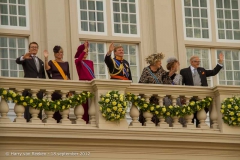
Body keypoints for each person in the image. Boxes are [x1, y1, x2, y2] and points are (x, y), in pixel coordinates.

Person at [180, 53, 224, 127]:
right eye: (196, 61)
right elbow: (181, 83)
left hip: (202, 96)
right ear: (191, 62)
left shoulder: (202, 70)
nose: (198, 63)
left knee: (201, 114)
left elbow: (213, 72)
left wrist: (220, 62)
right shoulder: (184, 71)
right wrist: (182, 96)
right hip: (191, 97)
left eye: (199, 61)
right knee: (191, 114)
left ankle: (199, 127)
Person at [16, 42, 45, 122]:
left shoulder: (41, 61)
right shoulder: (26, 58)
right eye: (32, 47)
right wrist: (24, 57)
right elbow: (18, 61)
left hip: (39, 88)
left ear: (38, 49)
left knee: (39, 107)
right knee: (28, 109)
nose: (34, 48)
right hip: (29, 87)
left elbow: (42, 75)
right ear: (29, 49)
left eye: (36, 47)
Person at [44, 45, 70, 123]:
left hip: (64, 88)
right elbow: (47, 68)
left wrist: (70, 89)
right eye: (58, 52)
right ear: (55, 54)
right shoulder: (52, 62)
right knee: (55, 107)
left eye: (61, 52)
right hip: (55, 88)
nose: (60, 54)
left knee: (64, 107)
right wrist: (46, 59)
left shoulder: (66, 63)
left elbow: (68, 75)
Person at [138, 52, 166, 125]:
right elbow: (141, 83)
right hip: (149, 99)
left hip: (158, 99)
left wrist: (171, 72)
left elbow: (167, 80)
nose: (161, 63)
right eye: (159, 61)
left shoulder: (161, 70)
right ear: (154, 62)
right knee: (149, 118)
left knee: (159, 118)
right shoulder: (146, 70)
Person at [74, 41, 95, 123]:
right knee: (84, 105)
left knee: (92, 104)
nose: (86, 53)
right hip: (83, 84)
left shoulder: (90, 62)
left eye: (87, 51)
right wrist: (84, 50)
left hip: (91, 83)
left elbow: (92, 73)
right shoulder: (77, 61)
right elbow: (78, 60)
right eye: (84, 51)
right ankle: (84, 121)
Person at [161, 57, 184, 126]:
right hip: (166, 99)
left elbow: (180, 88)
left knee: (177, 117)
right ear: (172, 66)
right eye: (177, 65)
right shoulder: (164, 75)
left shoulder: (179, 76)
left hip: (176, 99)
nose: (177, 67)